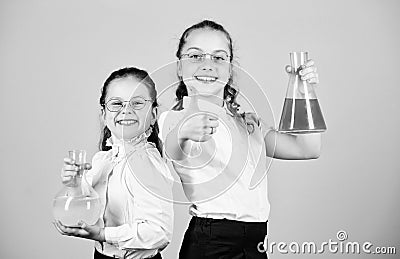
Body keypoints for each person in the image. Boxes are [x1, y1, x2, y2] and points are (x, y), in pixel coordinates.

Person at [158, 20, 321, 258]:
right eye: (195, 56)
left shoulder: (247, 122)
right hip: (211, 244)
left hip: (256, 243)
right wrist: (184, 132)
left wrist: (305, 91)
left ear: (230, 69)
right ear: (180, 67)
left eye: (219, 57)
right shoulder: (174, 119)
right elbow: (173, 149)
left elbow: (307, 148)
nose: (207, 65)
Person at [54, 67, 174, 259]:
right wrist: (74, 185)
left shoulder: (146, 163)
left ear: (153, 114)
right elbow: (85, 216)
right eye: (116, 104)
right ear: (103, 114)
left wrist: (103, 235)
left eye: (137, 103)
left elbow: (159, 233)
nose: (126, 111)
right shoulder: (103, 159)